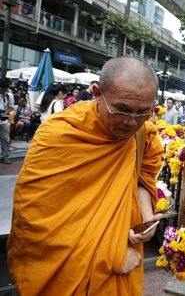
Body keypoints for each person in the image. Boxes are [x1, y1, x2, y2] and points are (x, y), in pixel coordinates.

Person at [8, 57, 164, 294]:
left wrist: (146, 219)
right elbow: (35, 221)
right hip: (70, 269)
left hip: (123, 256)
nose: (131, 122)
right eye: (121, 109)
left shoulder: (144, 134)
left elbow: (143, 176)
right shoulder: (60, 134)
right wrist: (111, 254)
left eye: (143, 112)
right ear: (97, 93)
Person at [0, 79, 14, 164]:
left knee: (6, 139)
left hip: (2, 119)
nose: (3, 91)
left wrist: (3, 113)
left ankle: (5, 157)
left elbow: (11, 107)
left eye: (5, 89)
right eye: (2, 89)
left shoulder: (9, 95)